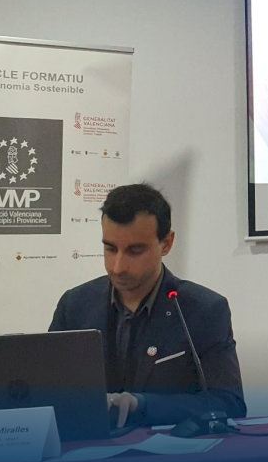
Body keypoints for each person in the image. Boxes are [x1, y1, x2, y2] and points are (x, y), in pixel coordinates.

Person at [49, 183, 246, 428]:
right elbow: (46, 394)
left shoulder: (204, 310)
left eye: (135, 251)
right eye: (110, 248)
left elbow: (228, 403)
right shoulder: (75, 305)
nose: (118, 267)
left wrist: (141, 405)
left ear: (167, 243)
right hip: (87, 448)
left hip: (170, 450)